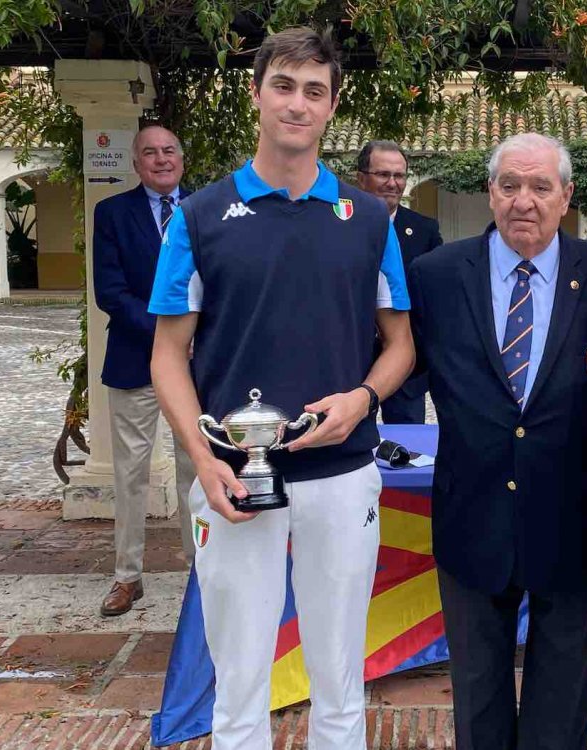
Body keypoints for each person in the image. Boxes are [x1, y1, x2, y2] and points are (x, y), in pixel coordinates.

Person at [148, 27, 414, 749]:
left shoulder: (368, 220)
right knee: (238, 686)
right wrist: (205, 461)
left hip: (342, 473)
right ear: (258, 93)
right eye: (284, 86)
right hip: (234, 479)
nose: (298, 104)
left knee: (339, 677)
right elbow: (167, 355)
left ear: (332, 107)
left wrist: (362, 398)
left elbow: (400, 345)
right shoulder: (199, 216)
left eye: (315, 91)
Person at [408, 133, 587, 750]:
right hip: (471, 514)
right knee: (478, 699)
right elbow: (394, 360)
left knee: (563, 703)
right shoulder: (436, 276)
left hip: (573, 517)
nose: (523, 200)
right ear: (490, 192)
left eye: (540, 186)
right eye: (510, 185)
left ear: (567, 195)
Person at [93, 124, 196, 617]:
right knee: (131, 474)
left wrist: (196, 339)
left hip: (197, 366)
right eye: (150, 153)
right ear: (135, 163)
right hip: (135, 359)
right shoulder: (111, 213)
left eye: (169, 150)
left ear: (182, 158)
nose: (161, 159)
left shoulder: (206, 211)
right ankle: (127, 577)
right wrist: (167, 337)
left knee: (195, 470)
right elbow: (110, 292)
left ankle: (203, 572)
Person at [356, 140, 442, 423]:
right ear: (361, 178)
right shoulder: (341, 227)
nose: (392, 183)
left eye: (399, 175)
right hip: (353, 367)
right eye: (383, 174)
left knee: (407, 454)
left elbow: (436, 297)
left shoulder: (425, 230)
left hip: (408, 373)